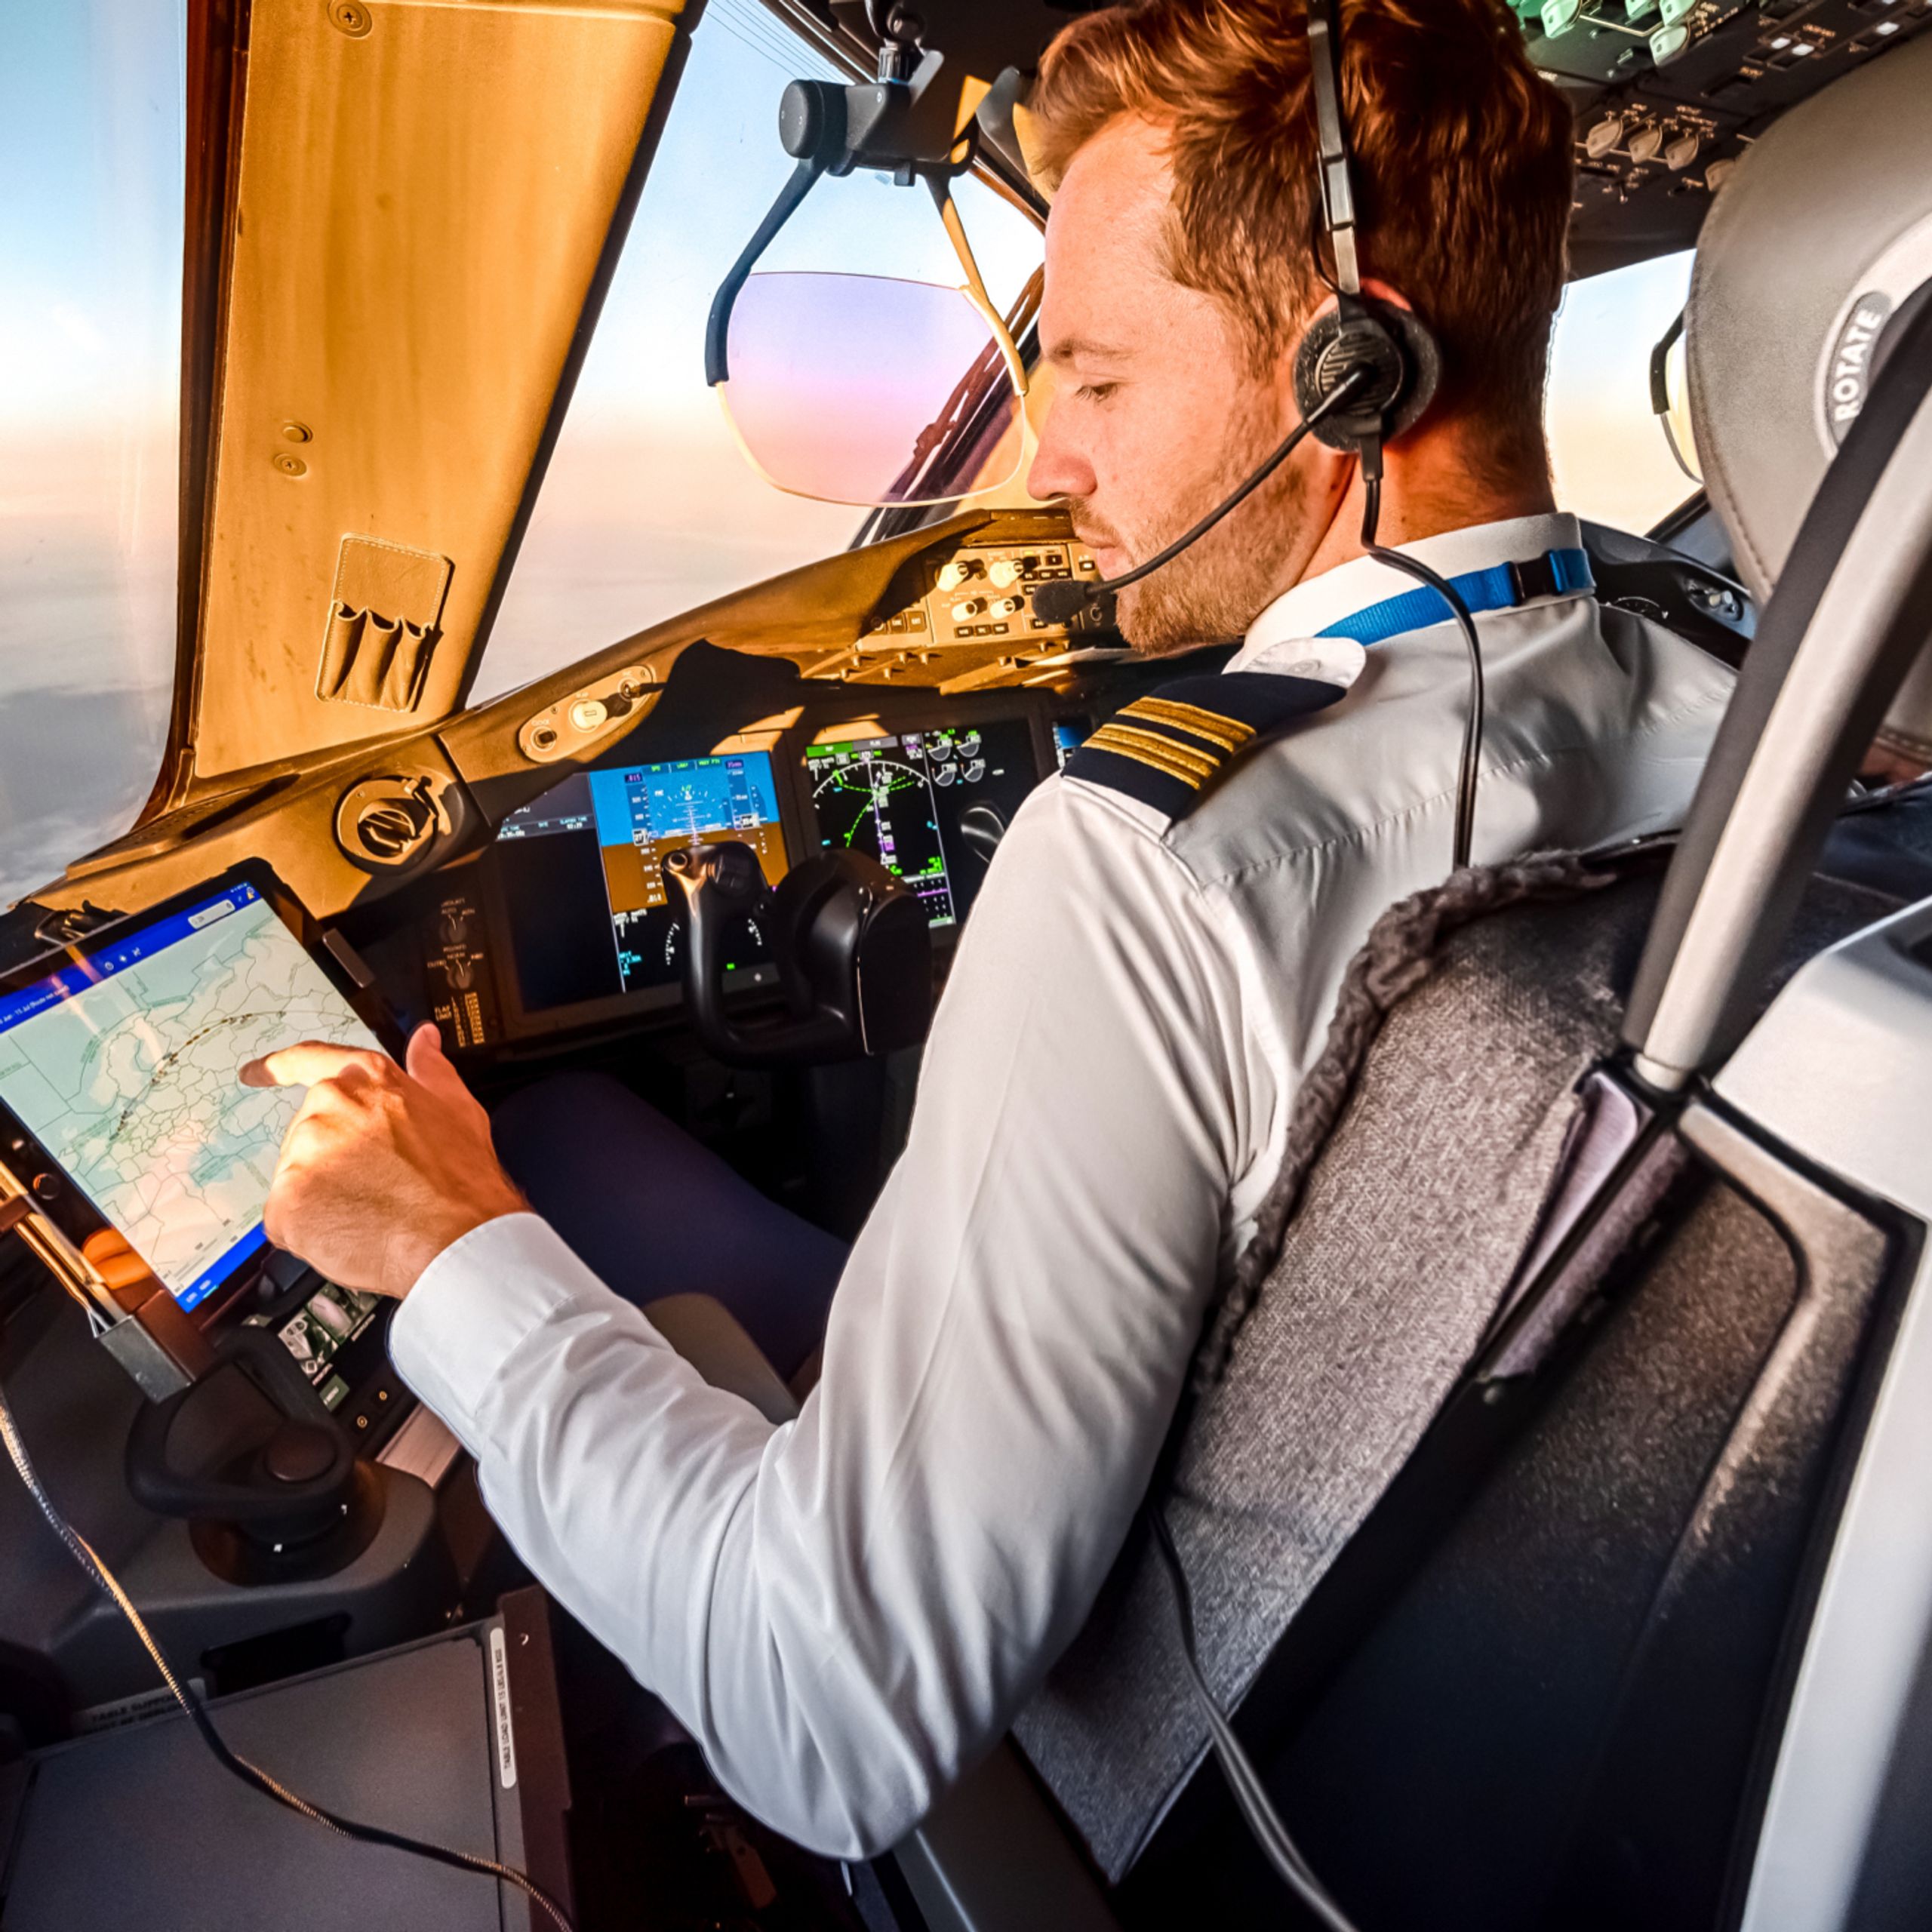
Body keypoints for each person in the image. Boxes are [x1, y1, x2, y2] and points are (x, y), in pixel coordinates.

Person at [239, 0, 1734, 1862]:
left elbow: (826, 1702)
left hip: (1165, 1747)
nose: (1047, 460)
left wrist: (443, 1250)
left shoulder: (1151, 861)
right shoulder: (1735, 701)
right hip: (1517, 1625)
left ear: (1346, 371)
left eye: (1095, 376)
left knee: (535, 1156)